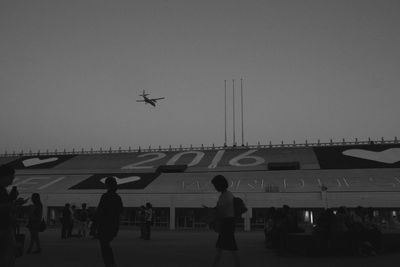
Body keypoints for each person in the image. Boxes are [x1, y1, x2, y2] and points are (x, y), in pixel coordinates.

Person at [211, 175, 240, 267]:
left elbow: (221, 212)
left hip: (226, 224)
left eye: (215, 185)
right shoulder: (229, 194)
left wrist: (212, 215)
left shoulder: (224, 196)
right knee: (226, 248)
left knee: (227, 248)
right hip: (229, 223)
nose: (215, 187)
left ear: (219, 185)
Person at [93, 176, 123, 267]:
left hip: (104, 225)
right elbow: (120, 211)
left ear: (107, 185)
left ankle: (110, 263)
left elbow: (99, 212)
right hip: (113, 225)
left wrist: (94, 225)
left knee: (104, 246)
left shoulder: (105, 196)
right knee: (106, 244)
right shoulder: (117, 197)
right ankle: (111, 263)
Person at [0, 165, 17, 267]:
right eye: (11, 177)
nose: (13, 179)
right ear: (3, 176)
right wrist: (12, 205)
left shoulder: (3, 190)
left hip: (5, 226)